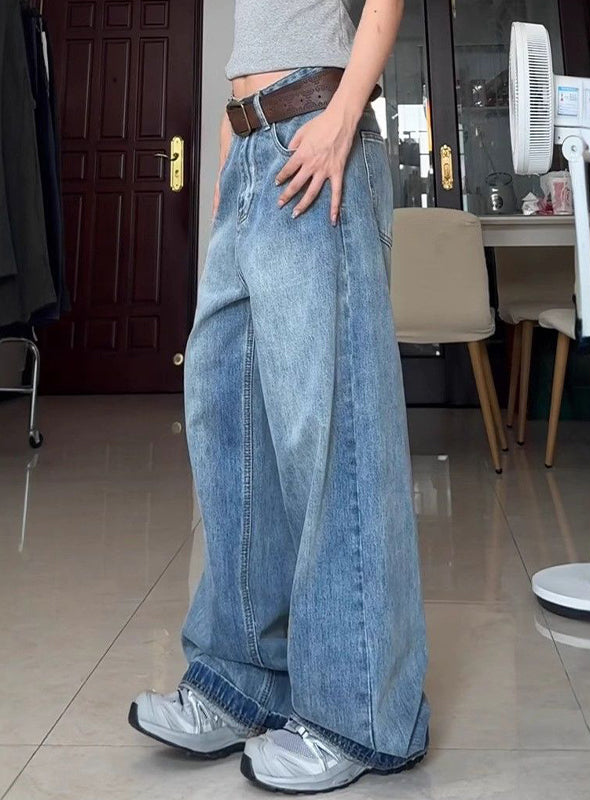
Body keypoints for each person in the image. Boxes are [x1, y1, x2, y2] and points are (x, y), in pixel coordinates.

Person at [129, 0, 430, 793]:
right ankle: (241, 680)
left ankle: (359, 713)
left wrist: (343, 115)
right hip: (253, 145)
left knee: (332, 432)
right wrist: (232, 138)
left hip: (316, 133)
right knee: (231, 420)